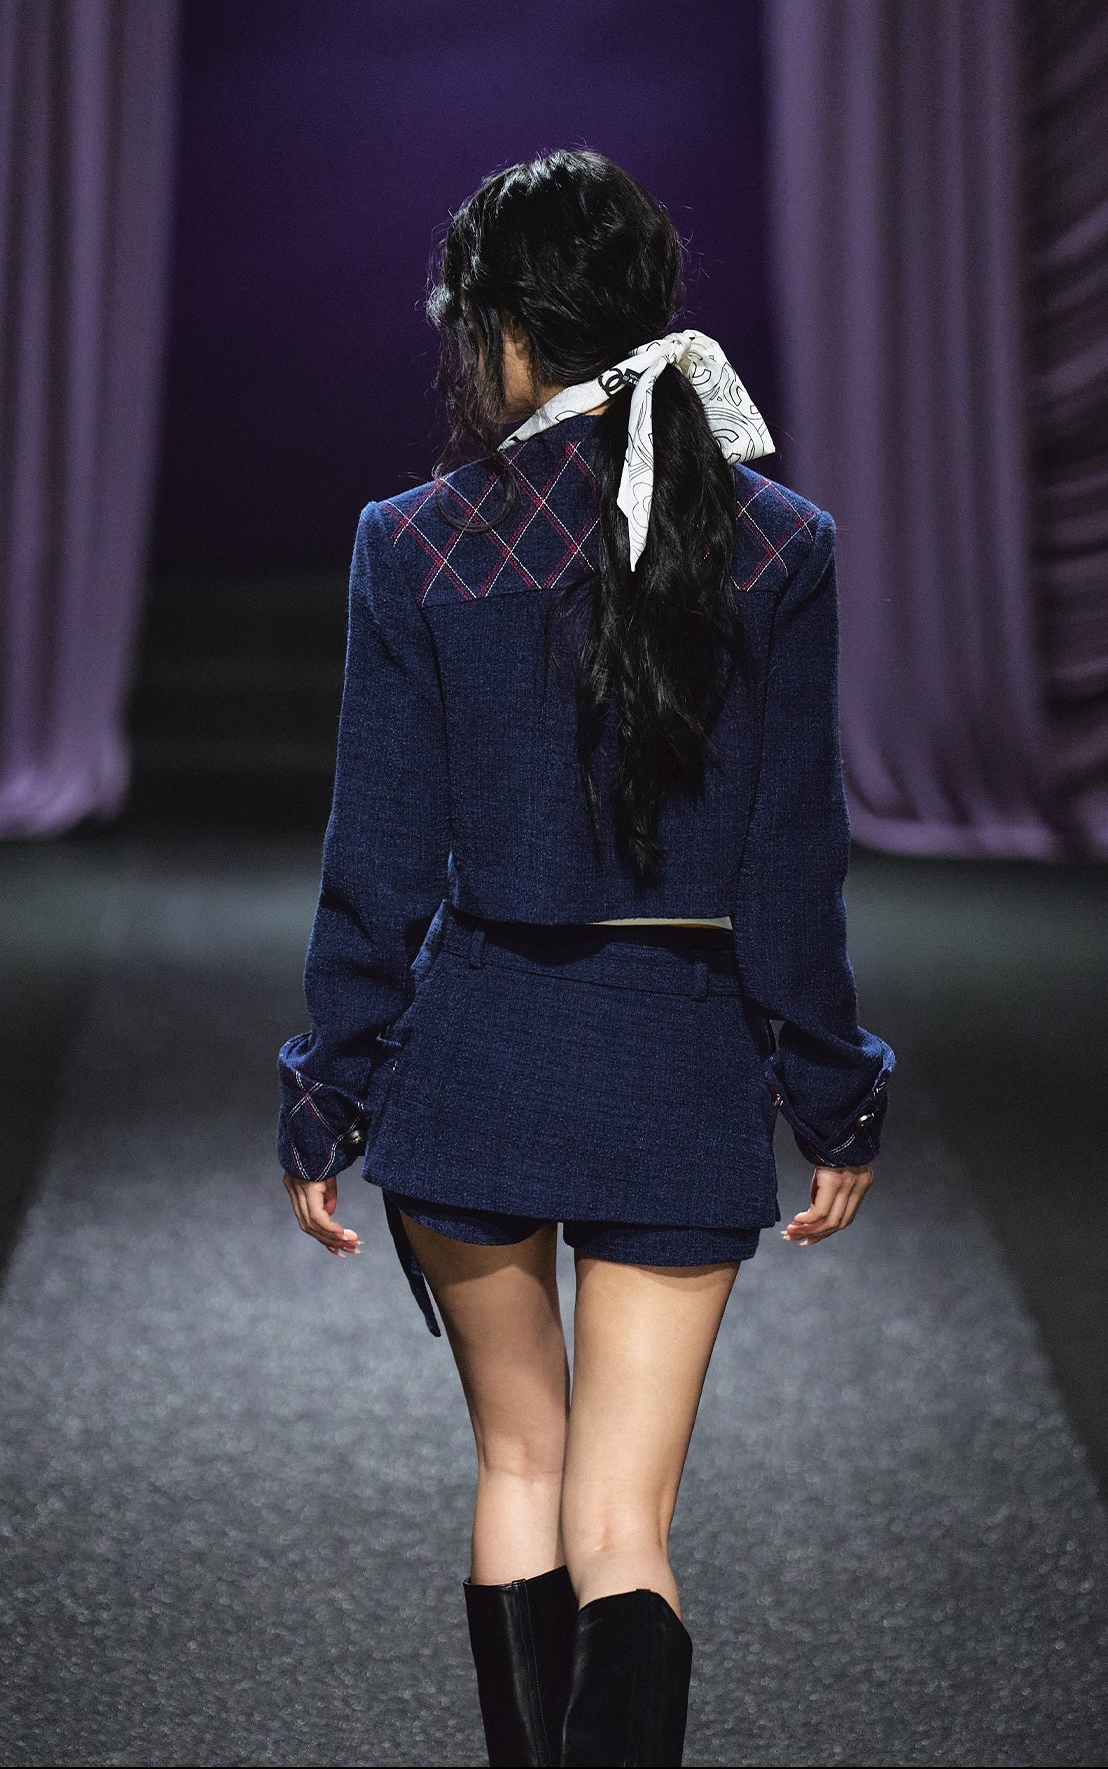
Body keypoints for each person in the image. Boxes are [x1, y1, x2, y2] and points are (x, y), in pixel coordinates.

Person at [275, 148, 895, 1768]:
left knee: (520, 1470)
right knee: (626, 1520)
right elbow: (792, 865)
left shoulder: (416, 542)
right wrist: (835, 1092)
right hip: (679, 1069)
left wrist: (328, 1093)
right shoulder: (778, 544)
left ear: (500, 329)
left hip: (476, 1060)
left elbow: (377, 860)